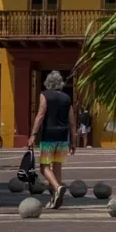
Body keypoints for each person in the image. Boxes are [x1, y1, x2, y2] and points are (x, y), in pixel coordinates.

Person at [29, 71, 76, 209]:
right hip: (63, 136)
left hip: (49, 134)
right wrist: (73, 141)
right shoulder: (67, 98)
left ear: (48, 83)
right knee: (57, 167)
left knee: (44, 167)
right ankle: (55, 199)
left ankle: (57, 187)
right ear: (60, 83)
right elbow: (72, 121)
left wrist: (33, 134)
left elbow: (41, 113)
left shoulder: (44, 95)